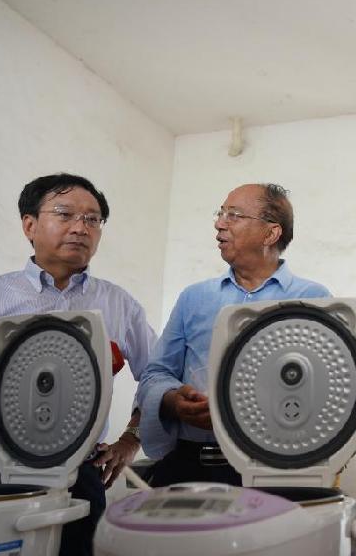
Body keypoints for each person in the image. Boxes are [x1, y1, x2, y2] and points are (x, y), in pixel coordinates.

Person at [0, 173, 156, 556]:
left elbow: (158, 377)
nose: (81, 228)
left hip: (79, 472)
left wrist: (132, 439)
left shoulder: (119, 305)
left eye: (93, 219)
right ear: (29, 225)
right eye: (64, 214)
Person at [136, 183, 330, 486]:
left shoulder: (312, 299)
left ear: (271, 233)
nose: (219, 224)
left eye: (234, 215)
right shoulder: (194, 298)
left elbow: (327, 387)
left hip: (277, 468)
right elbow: (156, 373)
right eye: (220, 213)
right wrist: (173, 401)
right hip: (193, 466)